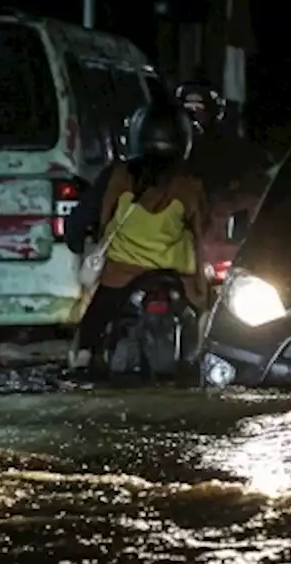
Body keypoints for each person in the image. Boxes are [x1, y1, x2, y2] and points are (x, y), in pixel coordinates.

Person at [69, 102, 208, 378]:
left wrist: (78, 241)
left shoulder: (116, 175)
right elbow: (205, 227)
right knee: (211, 323)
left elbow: (80, 220)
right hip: (178, 276)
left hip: (120, 275)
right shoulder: (190, 184)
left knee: (91, 329)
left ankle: (82, 361)